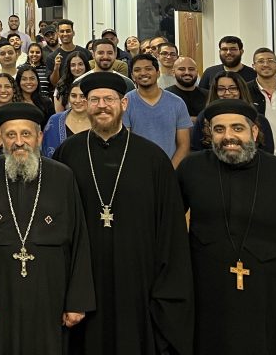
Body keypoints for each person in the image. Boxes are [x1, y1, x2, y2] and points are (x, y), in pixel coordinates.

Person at [54, 72, 193, 355]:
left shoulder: (153, 158)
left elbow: (170, 226)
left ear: (124, 104)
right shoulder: (68, 153)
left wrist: (164, 287)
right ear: (85, 104)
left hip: (139, 276)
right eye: (94, 100)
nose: (102, 106)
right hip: (85, 276)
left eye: (109, 99)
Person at [0, 102, 94, 354]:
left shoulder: (62, 175)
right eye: (10, 135)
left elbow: (79, 238)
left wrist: (77, 300)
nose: (18, 142)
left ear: (39, 137)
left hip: (50, 290)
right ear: (2, 138)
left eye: (25, 134)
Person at [177, 100, 276, 355]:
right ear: (210, 134)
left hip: (270, 292)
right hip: (208, 290)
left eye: (237, 128)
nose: (228, 136)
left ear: (254, 131)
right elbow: (171, 226)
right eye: (219, 129)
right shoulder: (191, 169)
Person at [123, 53, 190, 167]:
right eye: (137, 70)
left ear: (158, 73)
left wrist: (169, 171)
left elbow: (184, 145)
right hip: (137, 169)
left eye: (148, 69)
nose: (143, 73)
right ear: (133, 76)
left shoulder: (177, 103)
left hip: (170, 170)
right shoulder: (126, 103)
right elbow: (125, 143)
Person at [42, 82, 91, 157]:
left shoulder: (98, 121)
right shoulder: (54, 120)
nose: (77, 100)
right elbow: (46, 152)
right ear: (68, 97)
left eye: (82, 96)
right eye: (73, 96)